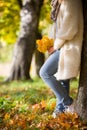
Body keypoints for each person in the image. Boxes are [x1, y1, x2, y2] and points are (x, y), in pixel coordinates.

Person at [39, 0, 83, 118]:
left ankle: (69, 102)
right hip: (61, 46)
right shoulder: (58, 3)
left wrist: (56, 45)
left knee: (45, 72)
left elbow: (70, 29)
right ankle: (61, 110)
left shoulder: (71, 2)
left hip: (68, 46)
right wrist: (49, 43)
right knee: (63, 79)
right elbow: (58, 28)